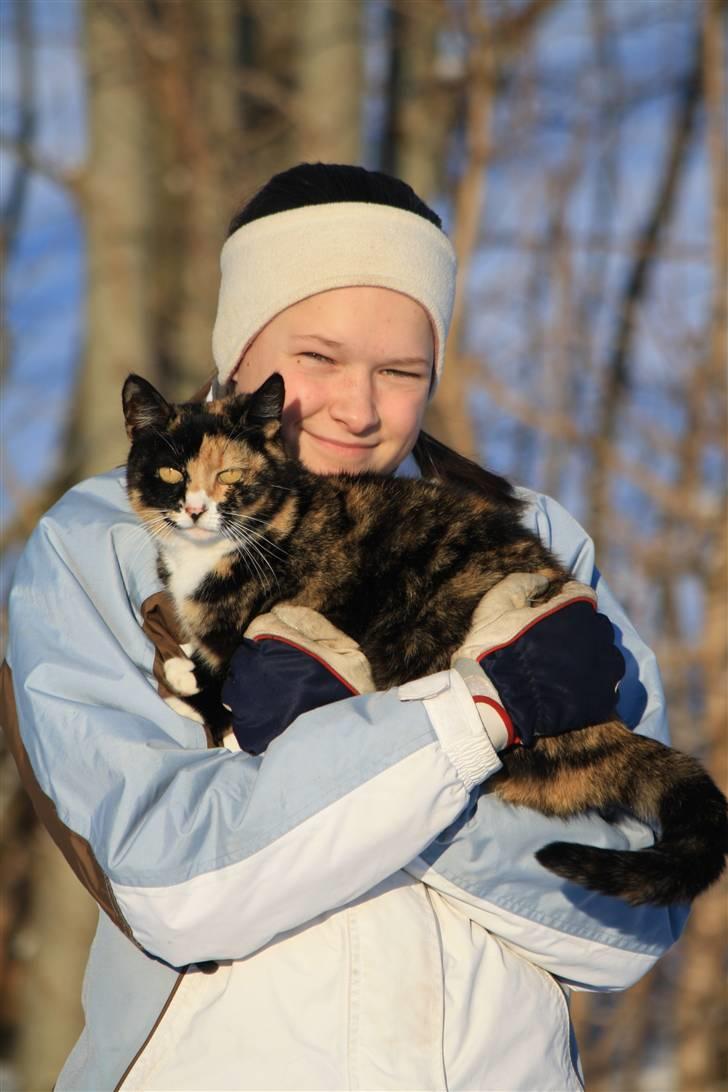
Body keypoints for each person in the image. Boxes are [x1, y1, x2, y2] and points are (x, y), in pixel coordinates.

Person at [1, 163, 685, 1091]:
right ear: (241, 359)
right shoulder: (107, 547)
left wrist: (349, 755)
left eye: (402, 371)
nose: (359, 411)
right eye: (316, 359)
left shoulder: (525, 535)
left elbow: (627, 923)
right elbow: (172, 885)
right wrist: (475, 721)